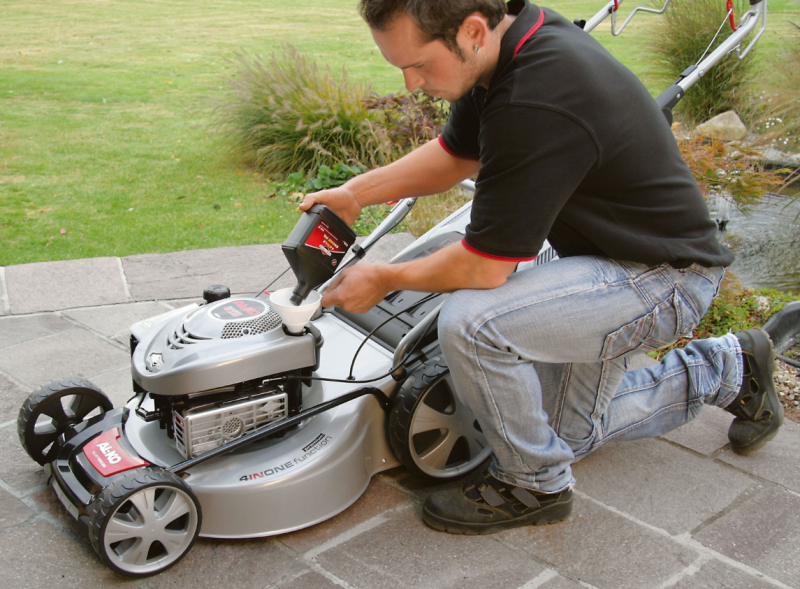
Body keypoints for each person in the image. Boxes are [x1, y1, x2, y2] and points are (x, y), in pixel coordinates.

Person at [299, 0, 783, 535]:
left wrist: (386, 278)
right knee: (563, 435)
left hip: (663, 280)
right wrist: (354, 193)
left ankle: (533, 485)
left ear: (472, 30)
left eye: (416, 65)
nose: (412, 84)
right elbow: (458, 154)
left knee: (473, 322)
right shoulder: (507, 48)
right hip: (603, 262)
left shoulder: (538, 94)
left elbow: (485, 269)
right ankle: (730, 367)